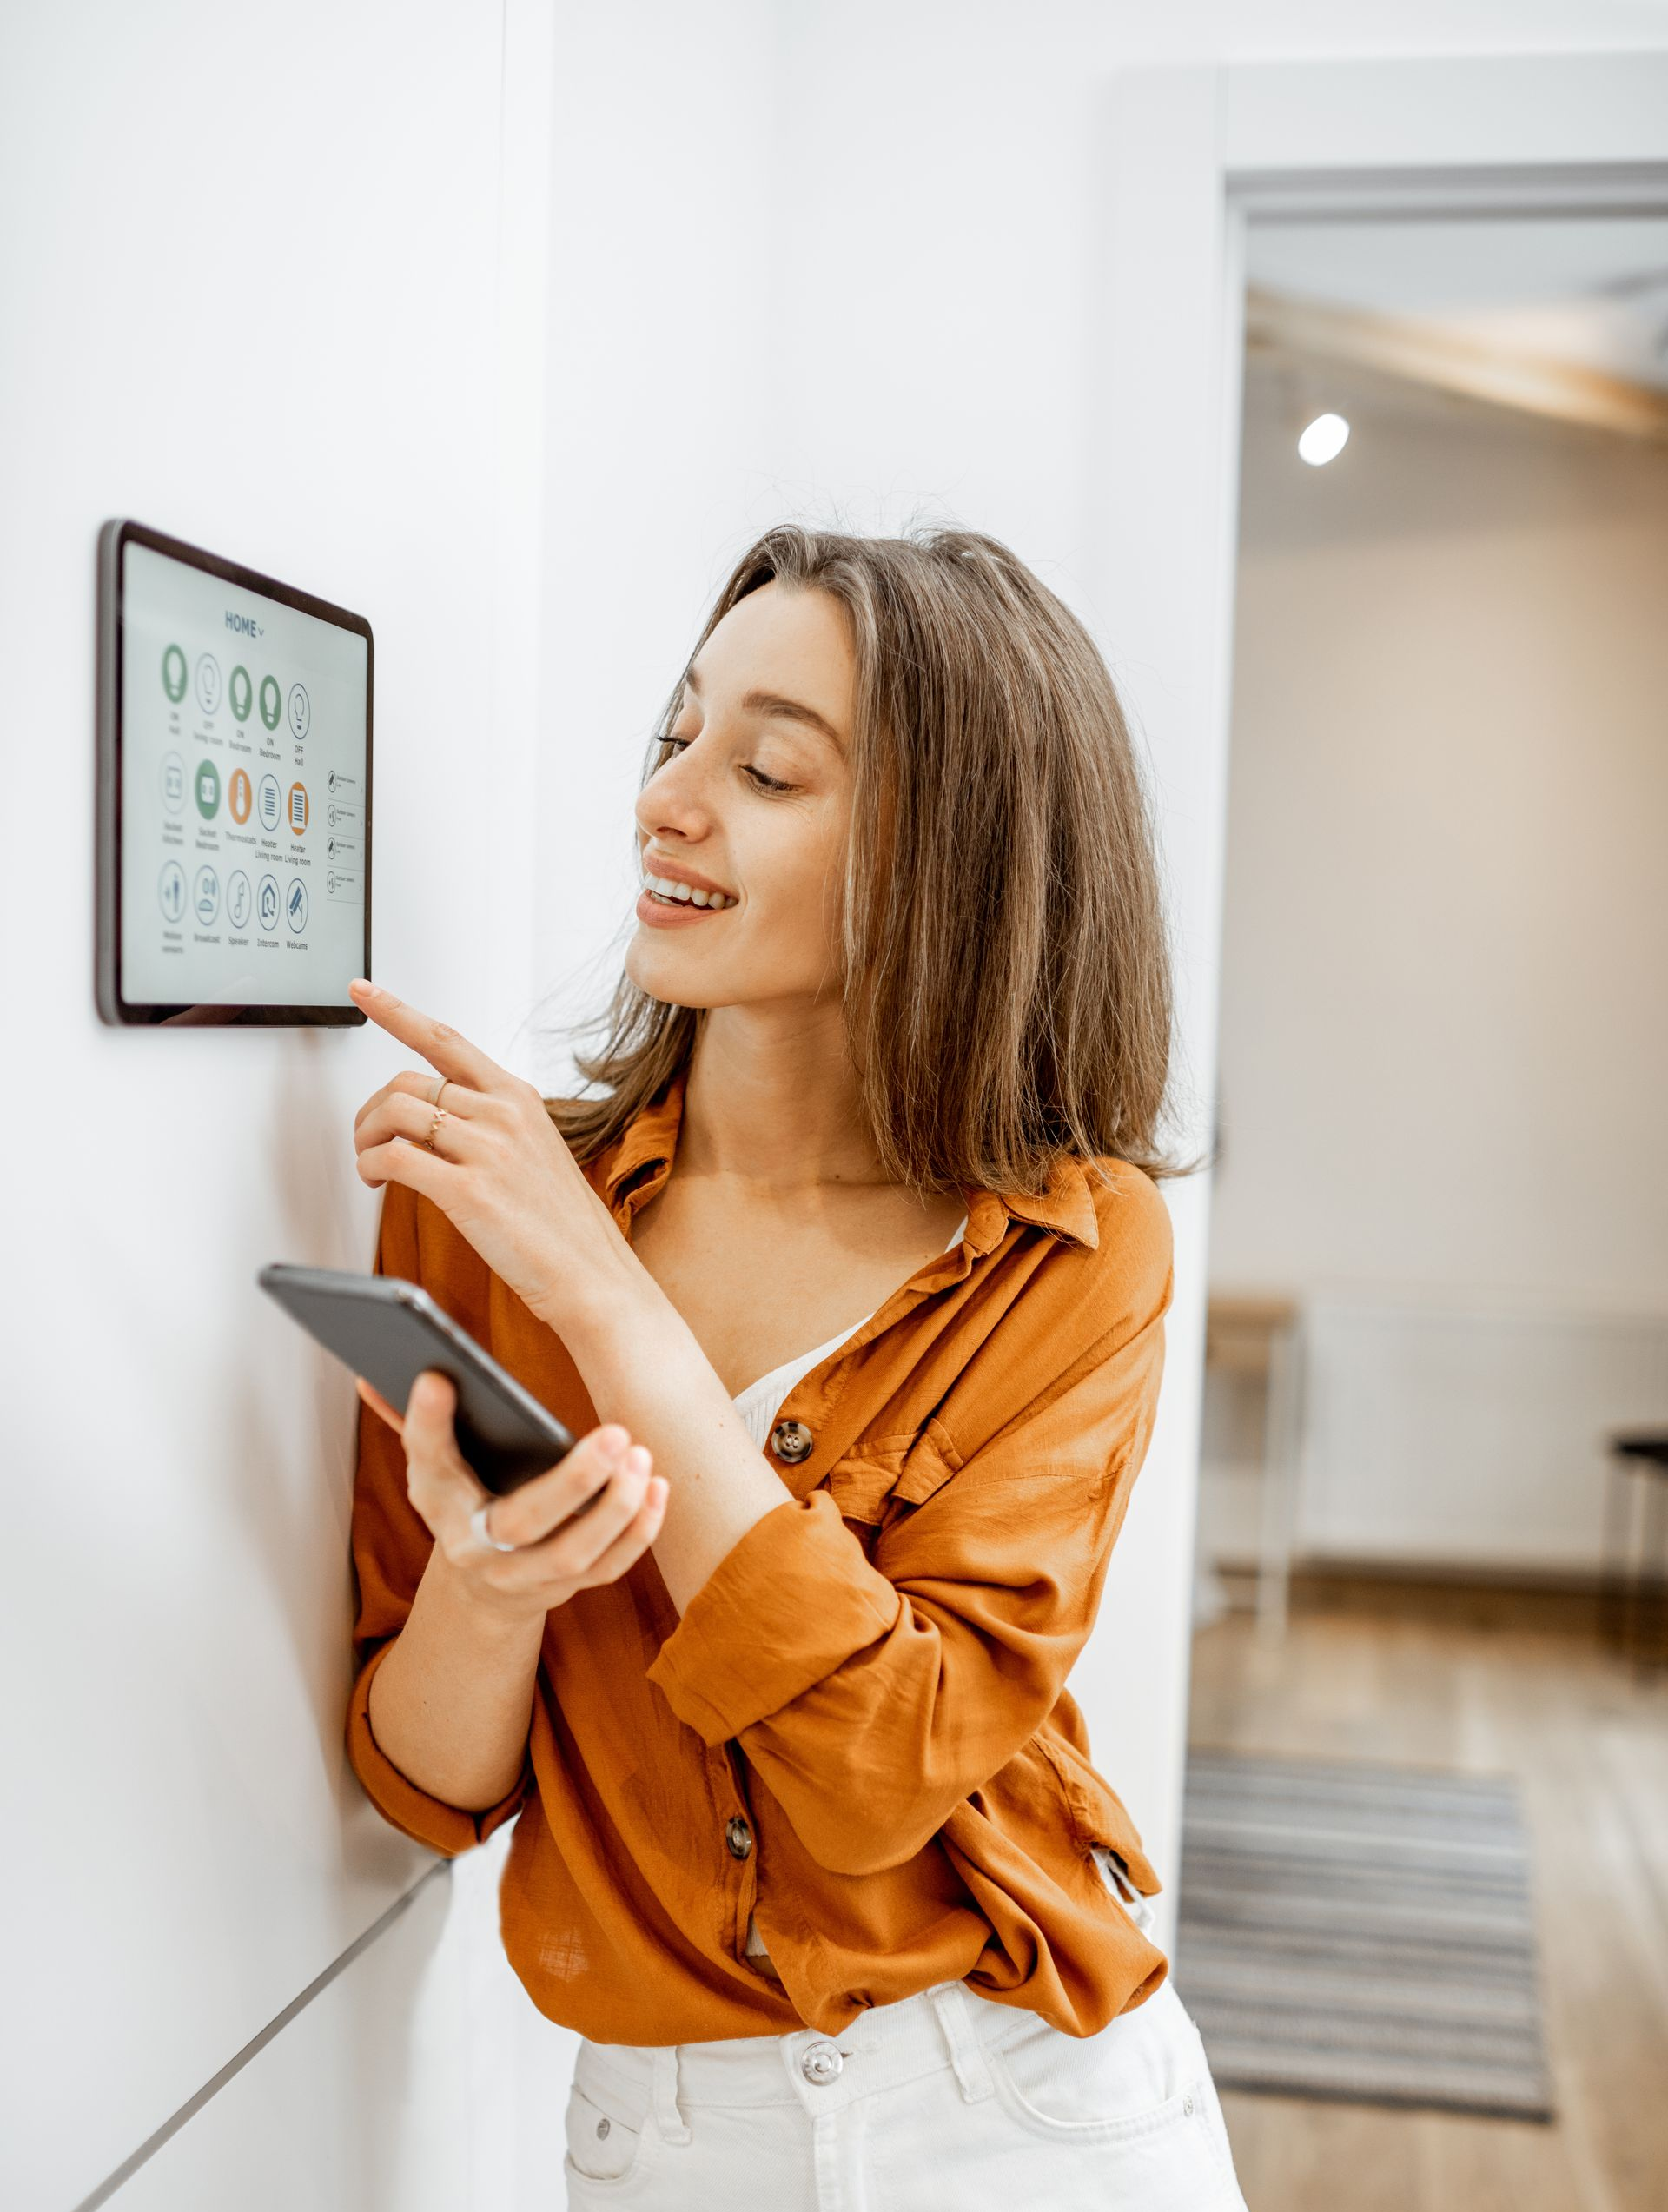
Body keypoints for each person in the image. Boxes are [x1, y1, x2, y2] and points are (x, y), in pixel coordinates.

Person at [343, 526, 1246, 2209]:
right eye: (678, 735)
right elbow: (427, 1790)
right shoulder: (484, 1211)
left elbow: (884, 1769)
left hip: (1019, 2100)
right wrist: (489, 1583)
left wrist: (610, 1305)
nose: (665, 801)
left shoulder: (1075, 1244)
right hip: (662, 2136)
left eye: (766, 770)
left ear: (953, 857)